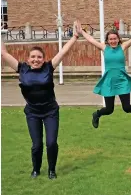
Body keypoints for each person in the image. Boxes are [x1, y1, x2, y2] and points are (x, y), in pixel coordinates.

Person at [1, 25, 79, 179]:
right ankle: (36, 169)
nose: (36, 60)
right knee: (36, 145)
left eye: (39, 57)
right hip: (32, 113)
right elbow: (3, 53)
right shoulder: (21, 69)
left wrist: (75, 37)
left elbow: (63, 52)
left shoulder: (48, 68)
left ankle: (52, 170)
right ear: (28, 59)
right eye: (33, 57)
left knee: (51, 143)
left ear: (43, 59)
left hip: (50, 112)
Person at [76, 20, 131, 129]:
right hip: (109, 81)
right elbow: (91, 39)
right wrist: (81, 31)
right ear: (107, 40)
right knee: (109, 109)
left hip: (121, 80)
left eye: (115, 38)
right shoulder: (104, 48)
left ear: (118, 39)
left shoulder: (123, 47)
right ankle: (96, 114)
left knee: (126, 107)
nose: (113, 41)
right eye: (111, 39)